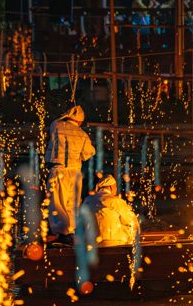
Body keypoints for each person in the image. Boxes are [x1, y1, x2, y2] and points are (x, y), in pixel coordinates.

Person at [45, 105, 95, 245]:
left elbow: (55, 123)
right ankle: (71, 232)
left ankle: (60, 233)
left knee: (57, 202)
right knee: (72, 204)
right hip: (75, 172)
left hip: (59, 170)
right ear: (79, 121)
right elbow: (88, 153)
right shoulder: (82, 134)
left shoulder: (57, 125)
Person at [82, 175, 139, 246]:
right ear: (111, 187)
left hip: (91, 242)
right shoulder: (116, 201)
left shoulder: (88, 200)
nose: (116, 190)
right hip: (114, 242)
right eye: (115, 187)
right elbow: (132, 221)